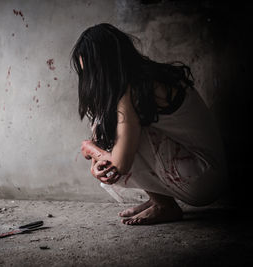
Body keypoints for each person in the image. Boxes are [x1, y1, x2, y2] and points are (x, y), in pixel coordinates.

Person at [71, 23, 227, 225]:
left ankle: (164, 206)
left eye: (92, 72)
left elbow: (119, 164)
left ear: (108, 65)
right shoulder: (138, 78)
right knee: (114, 127)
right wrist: (95, 160)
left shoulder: (136, 88)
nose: (90, 80)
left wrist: (90, 148)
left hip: (203, 177)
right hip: (203, 173)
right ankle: (159, 201)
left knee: (121, 134)